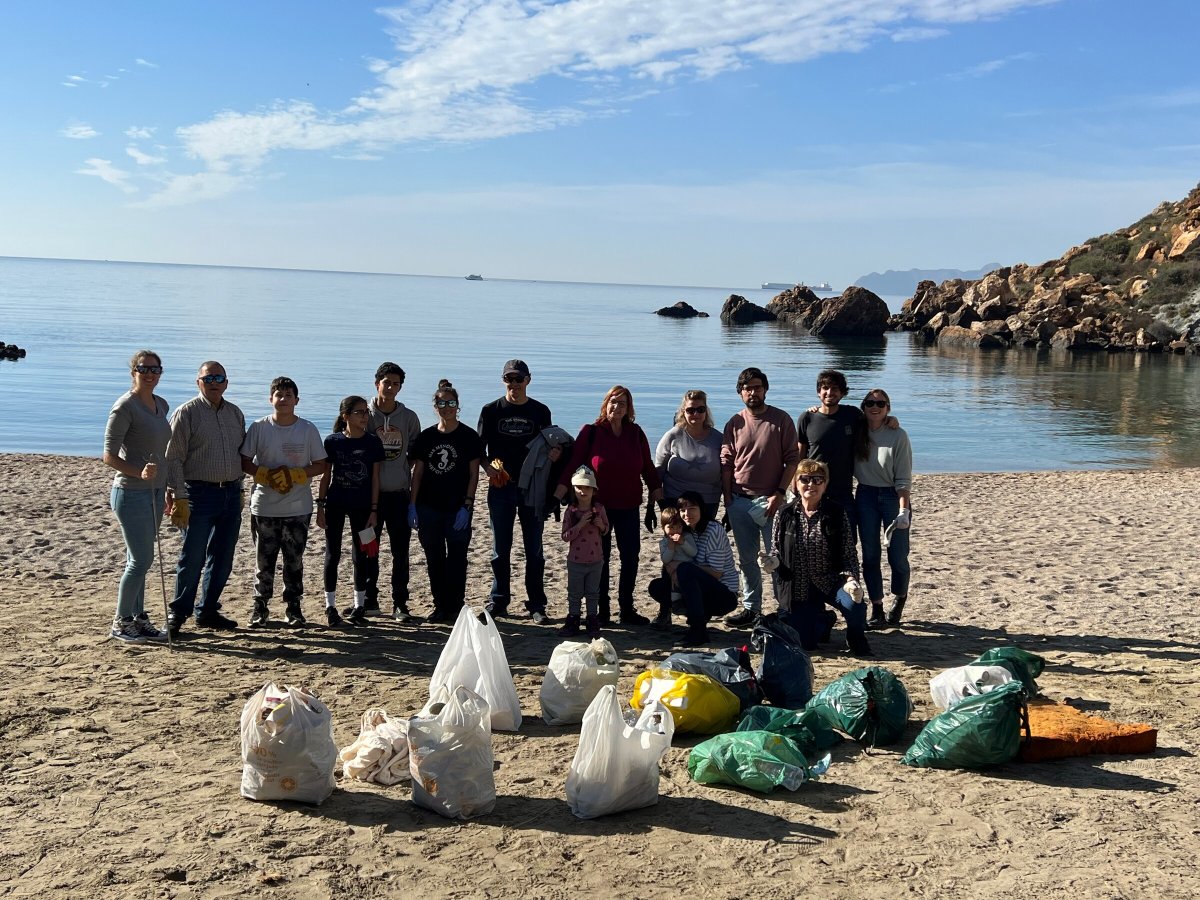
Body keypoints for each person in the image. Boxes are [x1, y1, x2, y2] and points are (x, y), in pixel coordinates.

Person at [554, 385, 663, 626]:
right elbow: (574, 463)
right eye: (613, 401)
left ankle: (626, 608)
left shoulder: (635, 433)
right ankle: (601, 610)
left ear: (628, 408)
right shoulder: (592, 432)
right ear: (605, 404)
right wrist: (558, 494)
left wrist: (659, 499)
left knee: (631, 557)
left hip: (629, 506)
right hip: (597, 509)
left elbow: (648, 467)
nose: (617, 406)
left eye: (622, 403)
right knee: (599, 558)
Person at [163, 360, 244, 637]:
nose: (213, 382)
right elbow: (172, 458)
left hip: (231, 493)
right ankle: (178, 612)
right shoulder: (186, 413)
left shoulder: (235, 413)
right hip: (198, 493)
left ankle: (207, 610)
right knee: (192, 556)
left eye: (218, 378)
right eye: (208, 378)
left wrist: (241, 489)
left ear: (226, 383)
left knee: (222, 557)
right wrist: (178, 495)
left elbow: (240, 455)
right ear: (198, 382)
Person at [240, 376, 327, 628]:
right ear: (271, 399)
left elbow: (320, 464)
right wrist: (265, 474)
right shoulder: (259, 427)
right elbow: (245, 461)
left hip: (298, 508)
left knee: (294, 560)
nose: (283, 399)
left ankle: (294, 607)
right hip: (264, 506)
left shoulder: (308, 429)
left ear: (296, 400)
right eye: (279, 395)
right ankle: (260, 607)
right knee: (263, 561)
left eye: (289, 395)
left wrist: (296, 474)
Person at [720, 367, 800, 628]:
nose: (752, 392)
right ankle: (751, 608)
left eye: (756, 387)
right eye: (747, 388)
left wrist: (779, 493)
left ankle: (784, 607)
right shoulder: (735, 422)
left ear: (765, 389)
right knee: (747, 559)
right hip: (740, 500)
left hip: (772, 501)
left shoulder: (781, 420)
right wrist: (728, 499)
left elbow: (792, 460)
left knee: (778, 559)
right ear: (740, 393)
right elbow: (727, 463)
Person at [477, 359, 555, 624]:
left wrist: (556, 454)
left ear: (528, 380)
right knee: (501, 549)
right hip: (501, 488)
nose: (514, 384)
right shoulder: (490, 411)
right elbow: (479, 450)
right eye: (509, 379)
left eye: (519, 379)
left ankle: (536, 604)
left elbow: (550, 446)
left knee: (534, 549)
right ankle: (499, 600)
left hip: (532, 488)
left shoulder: (540, 411)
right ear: (503, 381)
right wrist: (488, 469)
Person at [103, 350, 172, 642]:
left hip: (155, 493)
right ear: (134, 372)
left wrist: (166, 487)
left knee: (139, 558)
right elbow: (108, 456)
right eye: (144, 369)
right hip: (130, 493)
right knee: (140, 561)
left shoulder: (162, 405)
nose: (150, 374)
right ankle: (121, 622)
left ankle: (139, 617)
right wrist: (137, 472)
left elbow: (160, 450)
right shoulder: (124, 407)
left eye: (155, 370)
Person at [770, 460, 871, 656]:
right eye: (805, 479)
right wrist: (771, 561)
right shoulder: (784, 513)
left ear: (825, 484)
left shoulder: (837, 512)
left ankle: (856, 638)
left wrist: (851, 580)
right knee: (807, 643)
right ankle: (824, 619)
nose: (811, 485)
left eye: (818, 480)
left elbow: (849, 552)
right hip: (799, 586)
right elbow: (775, 549)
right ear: (796, 484)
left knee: (854, 605)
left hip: (830, 580)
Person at [409, 380, 484, 625]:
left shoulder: (469, 436)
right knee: (434, 558)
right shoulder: (426, 437)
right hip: (429, 506)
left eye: (451, 403)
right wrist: (413, 504)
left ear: (457, 406)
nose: (446, 407)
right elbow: (417, 473)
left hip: (457, 507)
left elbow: (474, 474)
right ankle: (440, 605)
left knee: (458, 558)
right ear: (435, 406)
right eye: (441, 403)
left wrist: (468, 505)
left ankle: (456, 606)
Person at [317, 396, 384, 628]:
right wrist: (320, 506)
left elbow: (375, 478)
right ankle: (330, 607)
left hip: (363, 506)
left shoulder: (373, 442)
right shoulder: (333, 441)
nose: (364, 416)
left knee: (361, 555)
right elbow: (326, 476)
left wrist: (374, 509)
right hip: (336, 502)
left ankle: (359, 606)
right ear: (346, 416)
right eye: (359, 412)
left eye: (366, 412)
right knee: (332, 554)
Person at [365, 362, 422, 622]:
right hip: (368, 498)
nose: (390, 387)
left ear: (400, 387)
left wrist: (399, 470)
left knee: (400, 552)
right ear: (377, 383)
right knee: (368, 548)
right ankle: (369, 599)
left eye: (395, 383)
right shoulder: (363, 414)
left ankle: (400, 603)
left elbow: (415, 455)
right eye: (386, 382)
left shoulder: (408, 417)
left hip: (399, 495)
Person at [854, 388, 913, 629]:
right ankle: (877, 606)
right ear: (863, 407)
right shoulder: (856, 431)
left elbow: (904, 478)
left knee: (898, 555)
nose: (875, 406)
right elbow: (831, 415)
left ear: (888, 407)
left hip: (893, 496)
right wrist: (812, 410)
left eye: (881, 403)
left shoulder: (897, 434)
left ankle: (899, 598)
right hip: (865, 494)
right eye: (869, 403)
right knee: (870, 555)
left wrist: (904, 510)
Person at [657, 491, 739, 646]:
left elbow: (716, 573)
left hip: (725, 593)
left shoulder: (714, 530)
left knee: (685, 570)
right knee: (657, 587)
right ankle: (687, 620)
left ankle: (698, 630)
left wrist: (680, 567)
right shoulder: (686, 530)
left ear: (702, 509)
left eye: (692, 509)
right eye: (682, 510)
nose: (687, 514)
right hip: (701, 586)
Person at [655, 390, 723, 519]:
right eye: (690, 410)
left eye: (700, 409)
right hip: (675, 500)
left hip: (708, 501)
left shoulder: (718, 439)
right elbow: (658, 472)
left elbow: (727, 474)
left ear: (706, 412)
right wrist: (654, 503)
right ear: (683, 412)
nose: (695, 414)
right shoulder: (672, 436)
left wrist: (729, 507)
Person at [559, 466, 609, 638]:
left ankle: (591, 619)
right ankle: (573, 618)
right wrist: (579, 525)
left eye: (587, 487)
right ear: (574, 489)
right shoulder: (571, 512)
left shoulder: (599, 509)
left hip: (596, 560)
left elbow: (606, 529)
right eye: (579, 487)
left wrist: (599, 524)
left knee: (593, 592)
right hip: (576, 560)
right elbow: (565, 536)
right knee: (574, 593)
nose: (583, 491)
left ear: (594, 490)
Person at [658, 507, 697, 610]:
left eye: (679, 527)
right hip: (672, 575)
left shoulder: (687, 536)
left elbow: (693, 553)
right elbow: (665, 560)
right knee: (674, 595)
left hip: (687, 571)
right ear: (663, 528)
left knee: (690, 594)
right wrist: (671, 547)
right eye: (671, 527)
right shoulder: (664, 542)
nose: (675, 531)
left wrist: (683, 543)